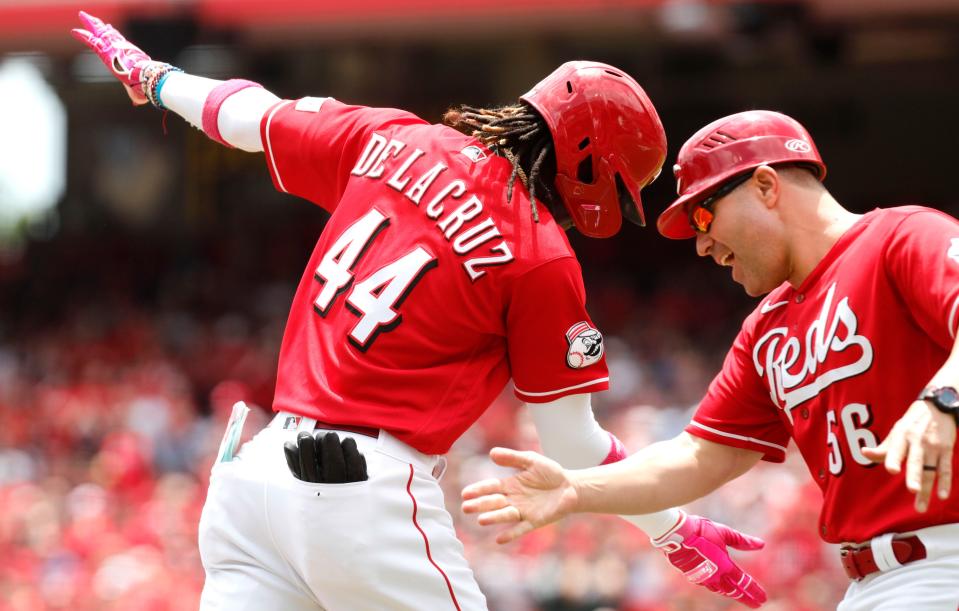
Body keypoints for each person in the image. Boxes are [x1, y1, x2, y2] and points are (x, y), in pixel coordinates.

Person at [71, 10, 769, 611]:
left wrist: (158, 81)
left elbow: (247, 114)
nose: (616, 205)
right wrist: (669, 526)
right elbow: (572, 444)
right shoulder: (540, 251)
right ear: (589, 159)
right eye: (620, 184)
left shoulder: (391, 136)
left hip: (251, 486)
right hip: (356, 495)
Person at [462, 109, 959, 610]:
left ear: (766, 185)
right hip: (875, 584)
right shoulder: (768, 328)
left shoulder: (902, 237)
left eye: (703, 214)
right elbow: (698, 457)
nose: (701, 245)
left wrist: (945, 399)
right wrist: (577, 487)